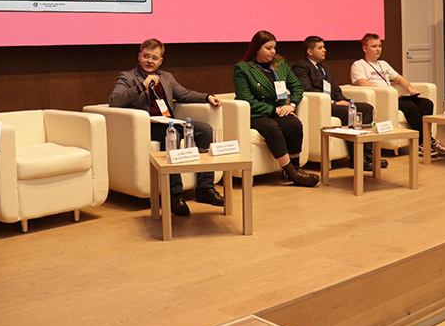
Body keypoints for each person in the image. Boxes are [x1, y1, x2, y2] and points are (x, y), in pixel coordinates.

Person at [109, 38, 224, 216]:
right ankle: (174, 195)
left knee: (205, 130)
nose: (149, 61)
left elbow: (184, 94)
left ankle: (205, 188)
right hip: (147, 126)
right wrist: (142, 86)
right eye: (146, 56)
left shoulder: (166, 77)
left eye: (154, 58)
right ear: (139, 56)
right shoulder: (128, 77)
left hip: (170, 122)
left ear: (160, 61)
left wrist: (206, 97)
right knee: (171, 135)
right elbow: (115, 101)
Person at [233, 31, 319, 187]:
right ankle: (293, 173)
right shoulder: (243, 69)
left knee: (293, 124)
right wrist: (274, 110)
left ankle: (297, 167)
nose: (272, 51)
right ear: (257, 49)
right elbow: (246, 99)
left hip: (279, 110)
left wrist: (292, 105)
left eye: (274, 48)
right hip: (256, 113)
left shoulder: (279, 64)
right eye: (268, 48)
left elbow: (297, 86)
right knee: (272, 127)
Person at [292, 36, 388, 170]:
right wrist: (333, 103)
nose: (324, 50)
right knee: (347, 112)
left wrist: (344, 100)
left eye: (324, 47)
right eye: (320, 48)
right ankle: (356, 158)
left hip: (334, 103)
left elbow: (336, 90)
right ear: (310, 51)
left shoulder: (326, 69)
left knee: (366, 108)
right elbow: (307, 89)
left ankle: (367, 153)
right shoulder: (301, 67)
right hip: (321, 106)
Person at [350, 33, 445, 157]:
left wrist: (410, 89)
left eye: (379, 46)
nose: (378, 49)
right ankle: (425, 142)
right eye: (374, 46)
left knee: (427, 104)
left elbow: (400, 79)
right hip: (384, 99)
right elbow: (363, 83)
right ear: (365, 48)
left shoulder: (383, 64)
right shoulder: (358, 65)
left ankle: (426, 141)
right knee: (410, 107)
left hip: (395, 96)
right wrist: (389, 92)